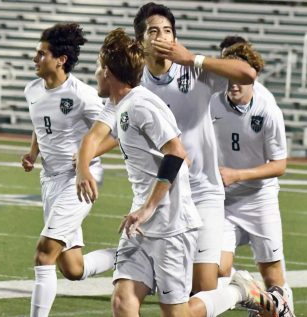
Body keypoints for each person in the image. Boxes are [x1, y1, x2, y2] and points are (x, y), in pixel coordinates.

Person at [76, 27, 276, 317]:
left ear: (107, 72)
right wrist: (83, 167)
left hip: (170, 226)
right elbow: (92, 137)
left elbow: (177, 153)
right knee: (123, 301)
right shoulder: (118, 104)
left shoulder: (142, 104)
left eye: (97, 67)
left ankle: (240, 290)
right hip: (141, 227)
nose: (94, 73)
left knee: (179, 313)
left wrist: (148, 208)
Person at [133, 2, 257, 295]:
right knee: (170, 289)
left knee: (202, 288)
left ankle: (244, 292)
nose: (163, 37)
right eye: (154, 31)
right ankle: (239, 287)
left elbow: (247, 74)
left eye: (168, 31)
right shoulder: (136, 84)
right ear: (141, 42)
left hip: (204, 192)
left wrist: (194, 59)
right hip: (164, 195)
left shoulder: (194, 71)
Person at [21, 23, 115, 317]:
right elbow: (41, 125)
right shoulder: (32, 89)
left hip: (79, 181)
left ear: (60, 59)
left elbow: (116, 132)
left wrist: (87, 157)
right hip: (49, 180)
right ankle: (133, 253)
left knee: (44, 253)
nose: (35, 59)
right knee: (73, 268)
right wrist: (32, 152)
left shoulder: (82, 95)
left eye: (41, 54)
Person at [210, 42, 295, 317]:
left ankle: (279, 308)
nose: (233, 84)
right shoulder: (212, 102)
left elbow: (280, 164)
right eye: (228, 76)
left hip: (260, 198)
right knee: (217, 270)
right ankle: (248, 288)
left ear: (252, 76)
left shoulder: (268, 108)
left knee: (273, 278)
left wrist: (238, 174)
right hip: (225, 199)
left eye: (240, 78)